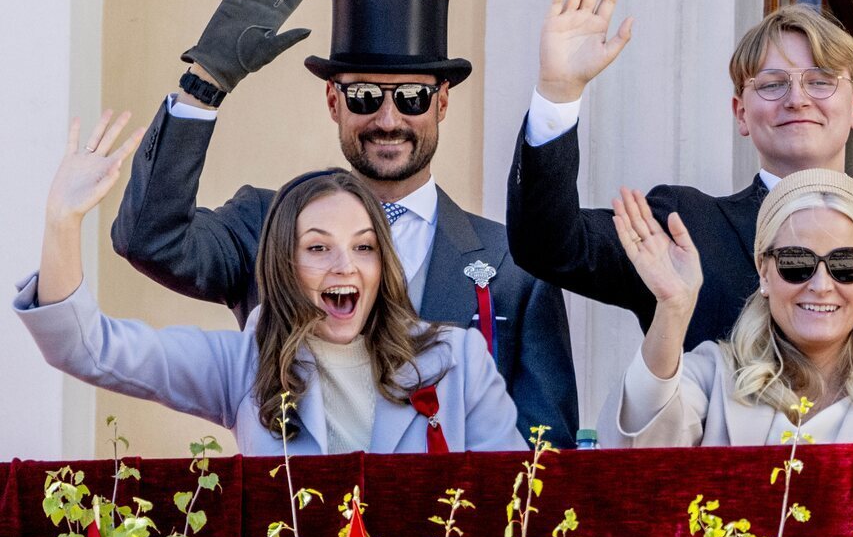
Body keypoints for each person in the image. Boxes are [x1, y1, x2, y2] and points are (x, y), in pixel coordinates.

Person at [110, 0, 578, 448]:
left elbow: (546, 454)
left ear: (442, 102)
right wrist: (204, 84)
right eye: (364, 97)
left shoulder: (512, 265)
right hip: (292, 517)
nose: (388, 118)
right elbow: (148, 239)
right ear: (333, 102)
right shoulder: (265, 226)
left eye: (413, 98)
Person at [506, 0, 853, 438]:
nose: (797, 98)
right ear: (741, 113)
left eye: (819, 80)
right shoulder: (684, 225)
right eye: (772, 84)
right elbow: (549, 244)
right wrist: (559, 94)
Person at [15, 113, 528, 456]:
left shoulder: (457, 361)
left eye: (364, 246)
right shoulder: (245, 365)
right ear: (285, 266)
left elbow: (514, 508)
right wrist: (61, 221)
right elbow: (88, 349)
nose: (345, 266)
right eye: (318, 247)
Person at [597, 169, 853, 446]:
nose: (821, 285)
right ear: (763, 271)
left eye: (846, 265)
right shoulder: (710, 378)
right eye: (796, 262)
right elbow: (634, 447)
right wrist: (672, 307)